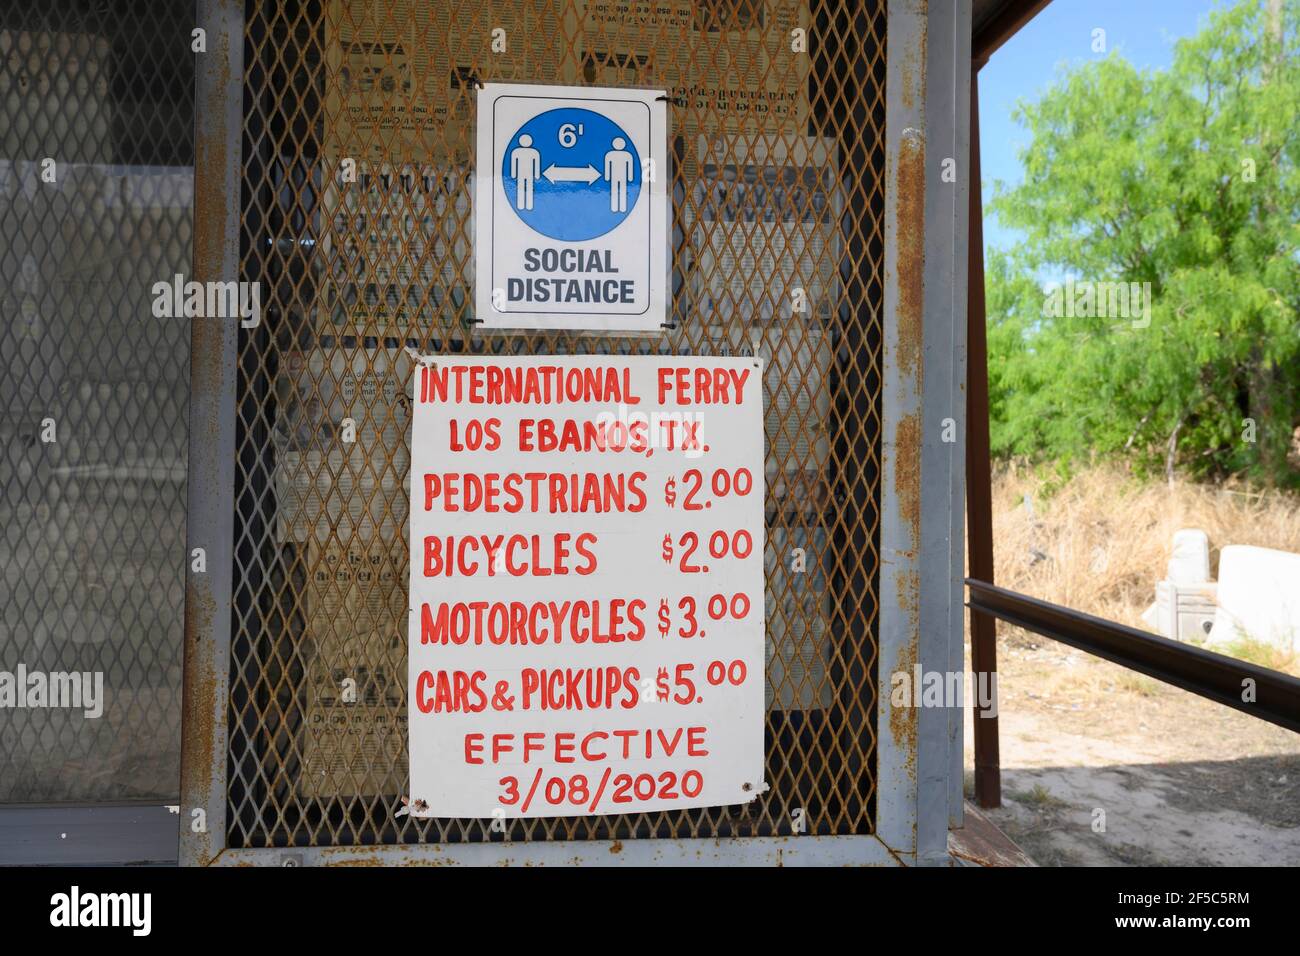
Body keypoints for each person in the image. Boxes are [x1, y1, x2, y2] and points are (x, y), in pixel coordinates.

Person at [603, 136, 634, 213]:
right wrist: (607, 176)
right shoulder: (610, 154)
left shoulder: (627, 155)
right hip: (616, 176)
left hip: (621, 176)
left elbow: (630, 166)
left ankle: (621, 208)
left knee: (620, 191)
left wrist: (630, 176)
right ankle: (615, 208)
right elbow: (607, 166)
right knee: (615, 191)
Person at [510, 134, 540, 210]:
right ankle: (522, 205)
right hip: (522, 174)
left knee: (526, 188)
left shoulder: (534, 152)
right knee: (522, 188)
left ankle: (527, 205)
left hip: (527, 174)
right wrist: (537, 174)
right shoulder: (516, 151)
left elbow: (536, 164)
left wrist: (536, 174)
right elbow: (514, 163)